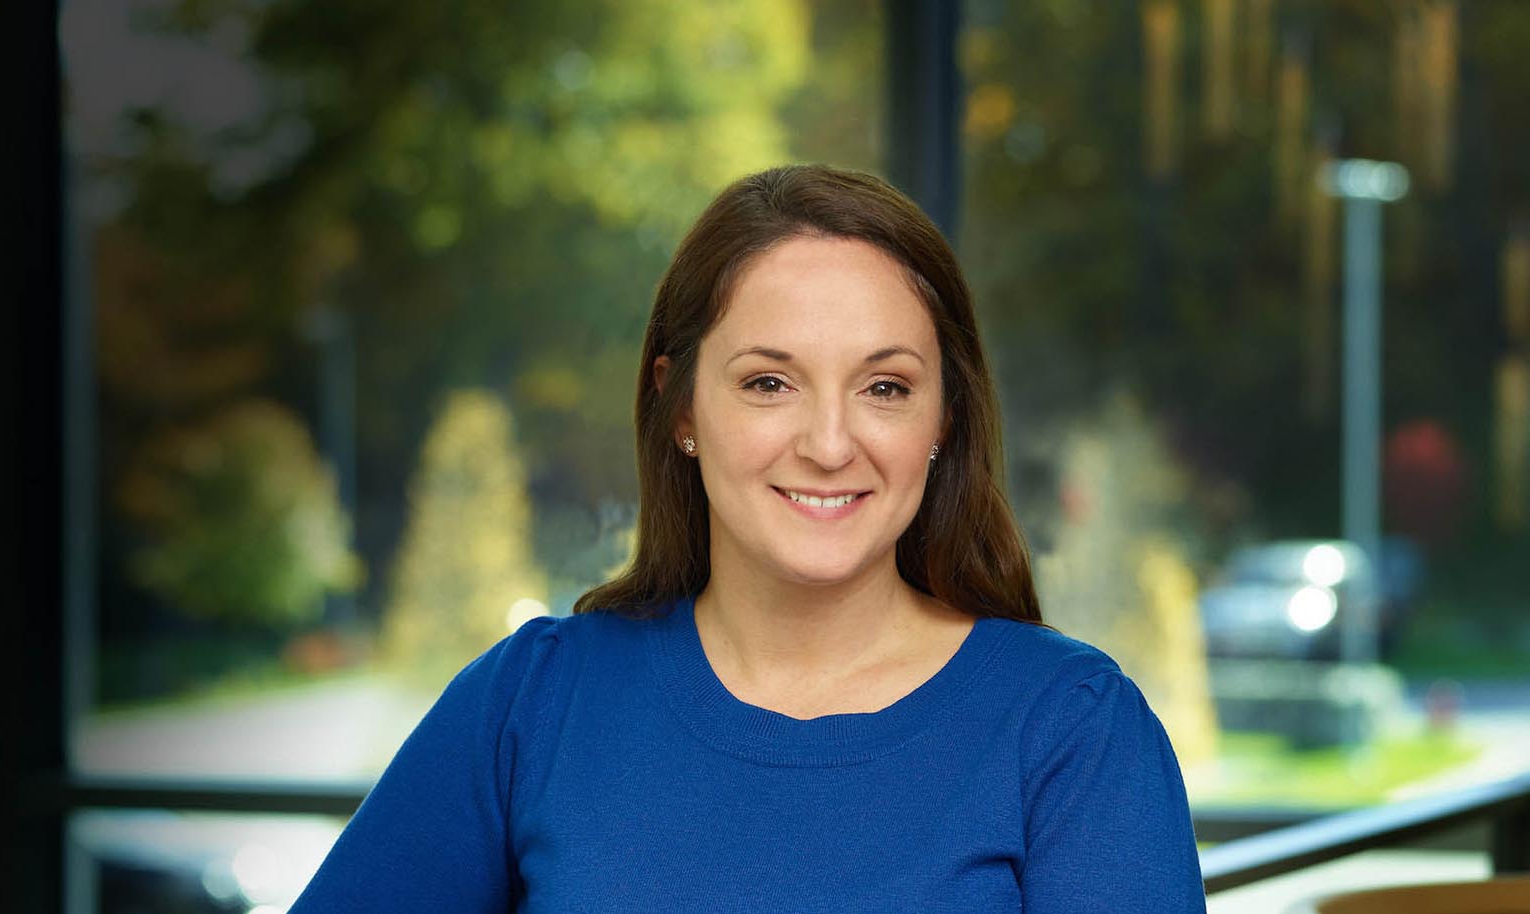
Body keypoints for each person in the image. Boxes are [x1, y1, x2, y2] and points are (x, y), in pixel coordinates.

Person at [292, 164, 1207, 912]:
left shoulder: (1072, 731)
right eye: (770, 383)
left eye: (885, 387)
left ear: (944, 419)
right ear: (680, 403)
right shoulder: (533, 703)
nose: (829, 443)